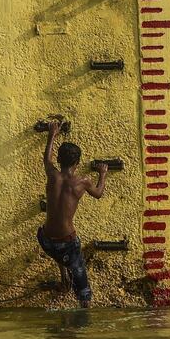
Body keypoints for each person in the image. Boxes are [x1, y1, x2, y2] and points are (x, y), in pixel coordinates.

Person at [37, 120, 108, 308]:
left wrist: (52, 134)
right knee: (83, 290)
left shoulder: (52, 175)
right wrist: (102, 173)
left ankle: (63, 278)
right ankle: (84, 309)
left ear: (60, 161)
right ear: (77, 163)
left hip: (46, 240)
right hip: (66, 243)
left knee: (53, 245)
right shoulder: (82, 181)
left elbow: (47, 159)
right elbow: (99, 193)